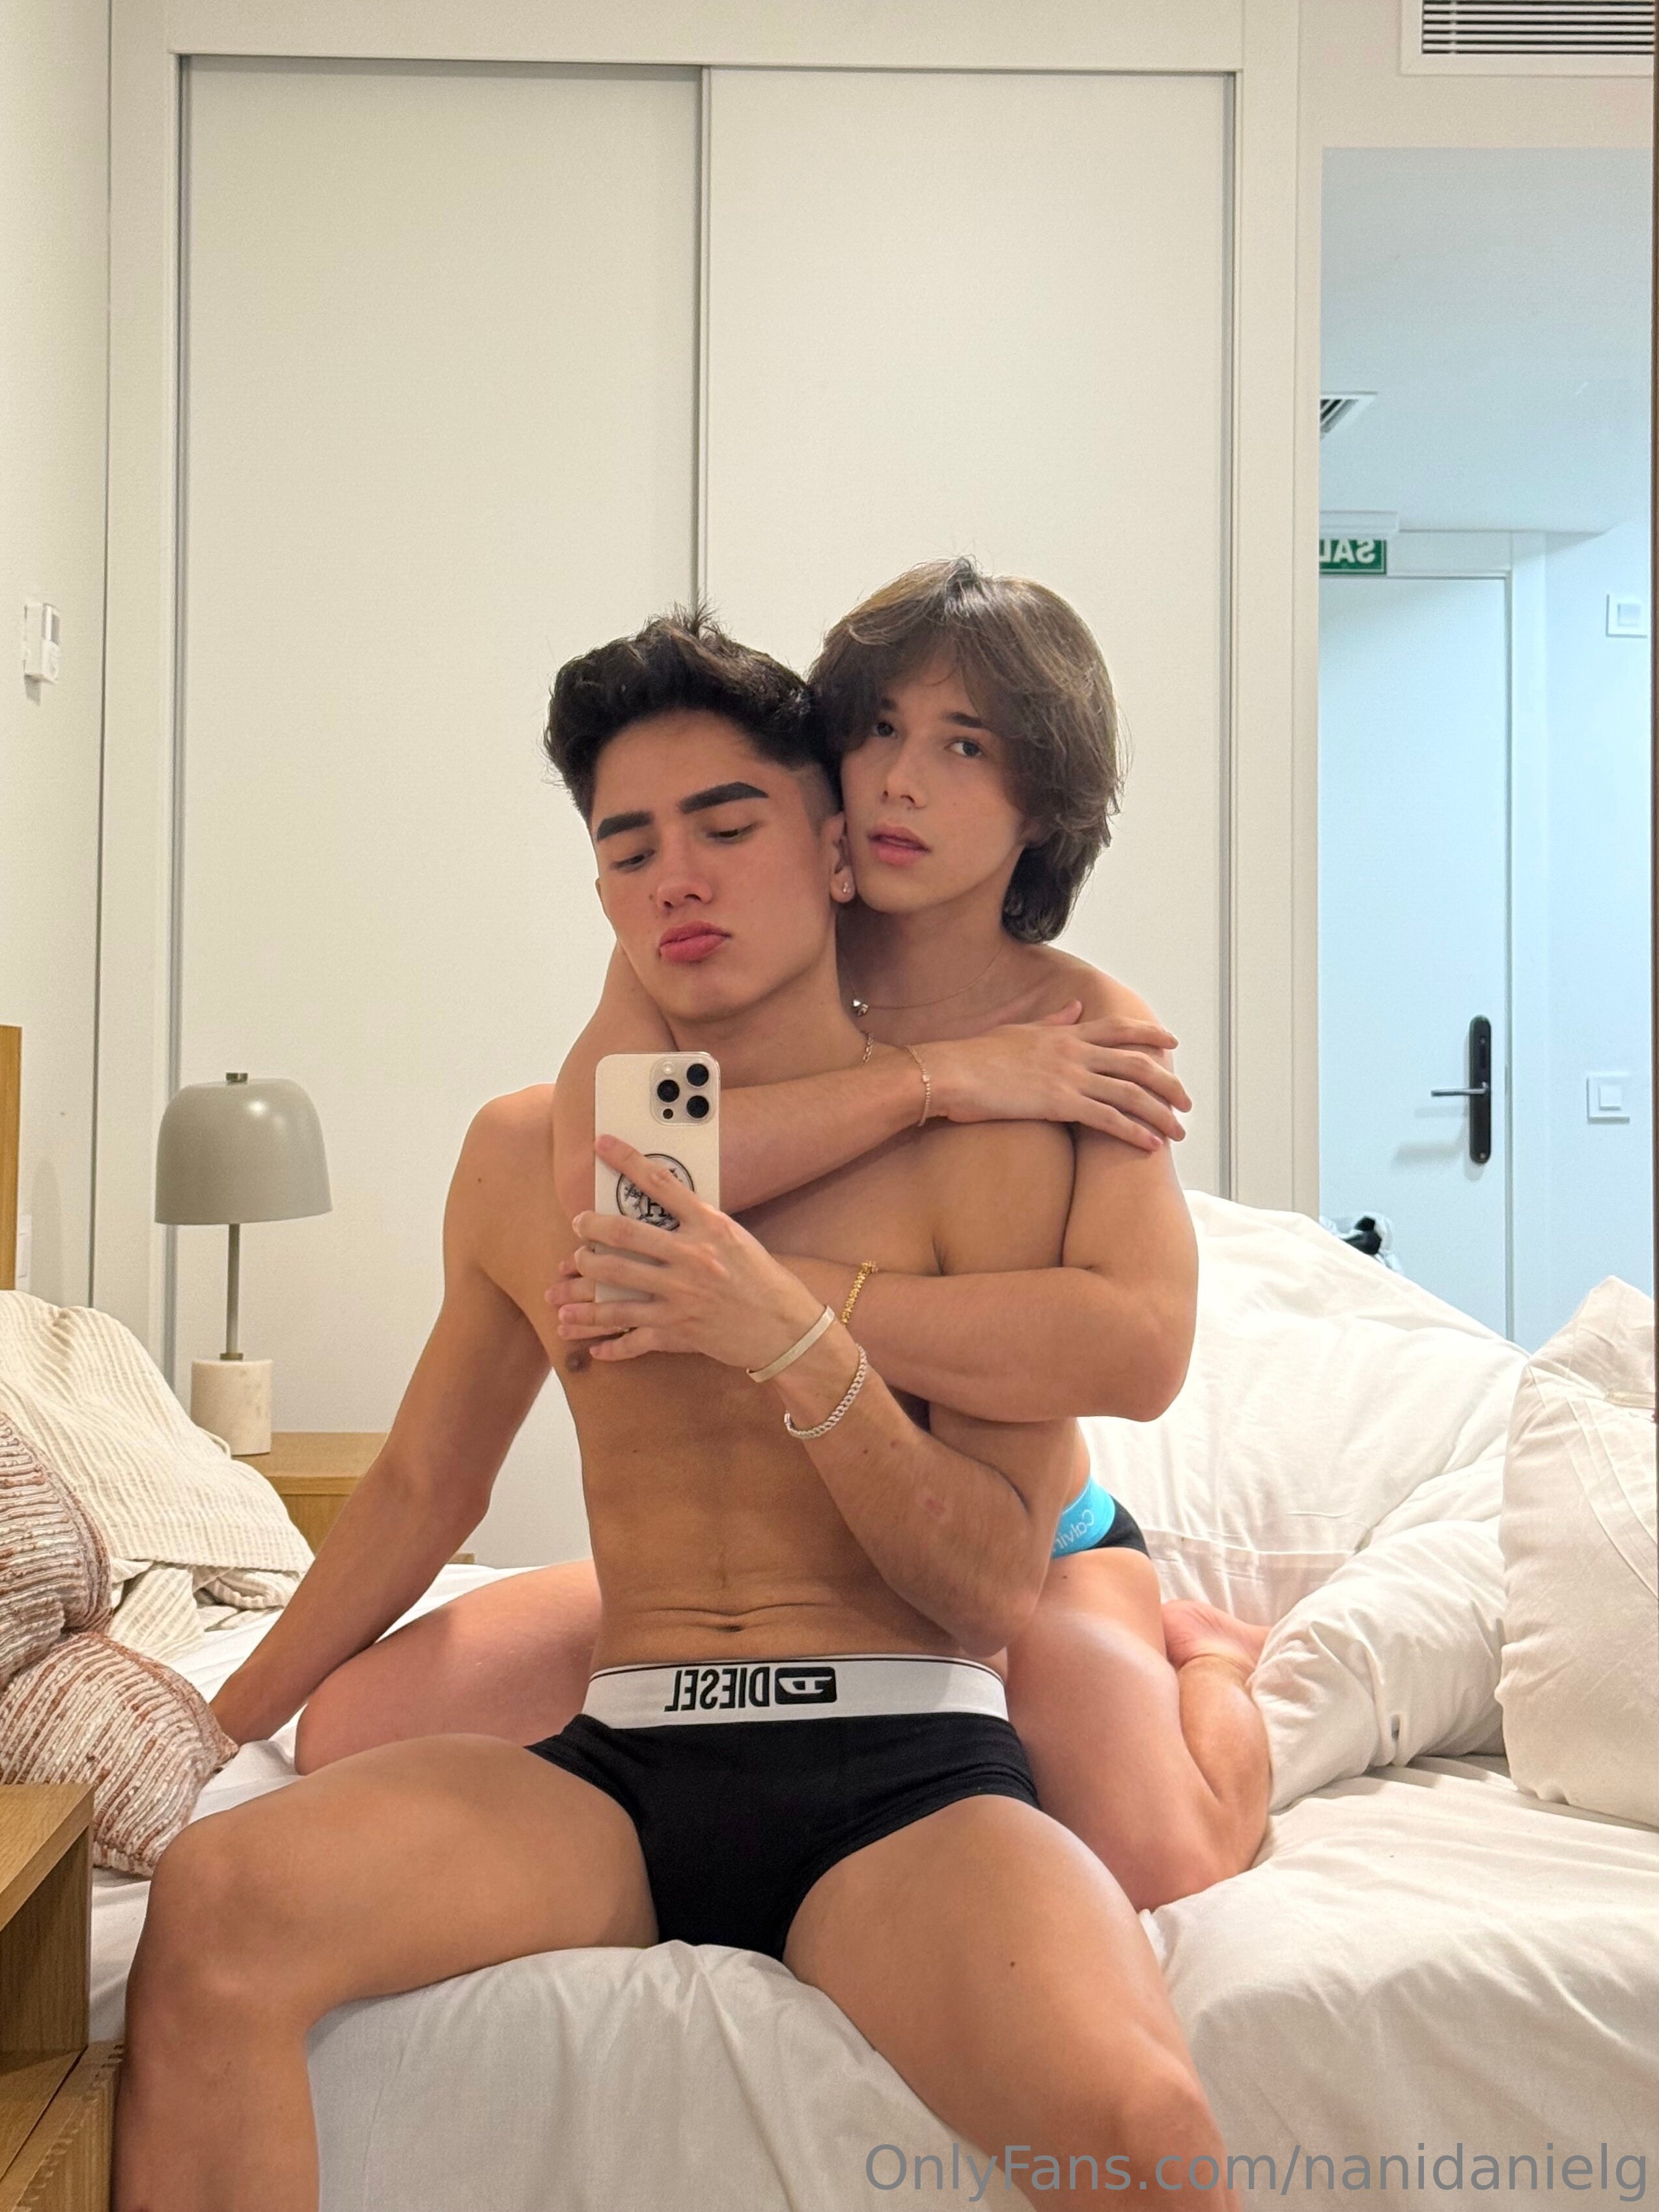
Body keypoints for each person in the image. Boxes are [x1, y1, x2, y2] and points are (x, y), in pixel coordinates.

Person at [120, 614, 1238, 2212]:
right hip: (622, 1761)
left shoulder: (1004, 1138)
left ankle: (1216, 1677)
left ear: (833, 854)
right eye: (628, 849)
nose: (678, 881)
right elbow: (423, 1487)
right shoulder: (532, 1157)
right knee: (220, 1892)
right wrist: (215, 1723)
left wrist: (797, 1338)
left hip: (900, 1766)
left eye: (726, 826)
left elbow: (993, 1589)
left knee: (1147, 2132)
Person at [281, 560, 1270, 1912]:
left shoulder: (1082, 1026)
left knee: (1164, 1858)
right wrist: (940, 1081)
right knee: (345, 1734)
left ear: (1043, 799)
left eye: (964, 747)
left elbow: (1139, 1351)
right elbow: (621, 1183)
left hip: (1015, 1539)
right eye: (878, 730)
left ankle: (1210, 1658)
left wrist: (770, 1294)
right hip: (794, 1574)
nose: (901, 782)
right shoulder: (734, 924)